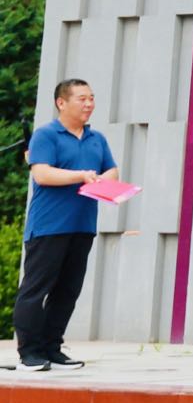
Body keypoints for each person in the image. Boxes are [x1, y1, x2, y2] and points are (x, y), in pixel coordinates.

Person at [12, 79, 119, 371]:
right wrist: (82, 176)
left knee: (68, 290)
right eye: (82, 99)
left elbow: (111, 170)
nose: (89, 104)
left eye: (91, 98)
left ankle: (52, 348)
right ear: (62, 102)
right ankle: (29, 353)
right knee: (36, 289)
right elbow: (42, 174)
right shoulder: (46, 135)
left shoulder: (96, 138)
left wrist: (102, 180)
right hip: (49, 226)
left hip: (83, 225)